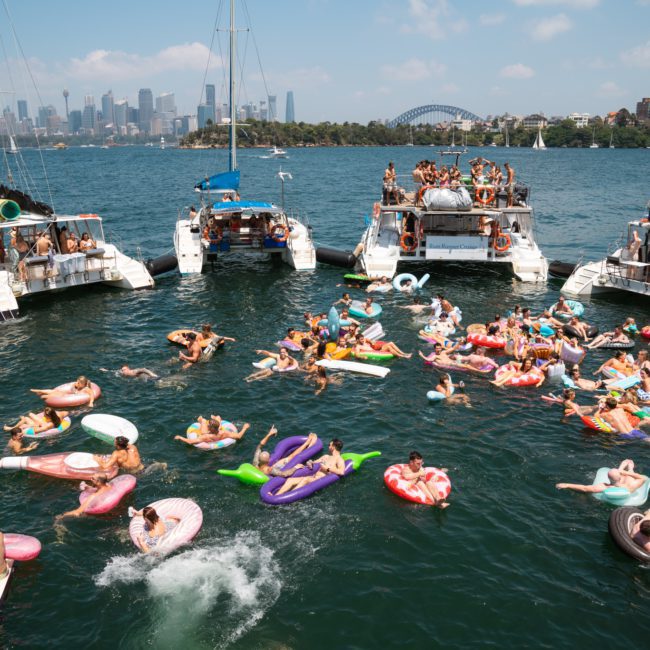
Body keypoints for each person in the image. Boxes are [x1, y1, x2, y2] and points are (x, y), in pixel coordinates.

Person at [275, 438, 346, 495]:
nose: (328, 447)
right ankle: (276, 496)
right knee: (290, 480)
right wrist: (310, 462)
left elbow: (341, 472)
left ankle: (288, 496)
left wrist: (327, 469)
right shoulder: (326, 457)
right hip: (313, 477)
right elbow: (313, 462)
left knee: (305, 479)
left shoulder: (339, 459)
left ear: (333, 447)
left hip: (319, 480)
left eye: (329, 445)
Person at [253, 428, 320, 477]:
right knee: (291, 457)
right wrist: (296, 467)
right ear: (268, 461)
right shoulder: (269, 470)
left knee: (289, 457)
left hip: (267, 469)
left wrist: (269, 434)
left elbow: (259, 447)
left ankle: (307, 443)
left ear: (259, 459)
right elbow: (284, 474)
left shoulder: (255, 464)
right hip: (280, 469)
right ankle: (308, 443)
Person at [556, 459, 647, 494]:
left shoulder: (604, 487)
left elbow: (585, 488)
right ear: (620, 477)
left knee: (623, 475)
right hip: (626, 485)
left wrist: (567, 485)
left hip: (614, 483)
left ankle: (621, 468)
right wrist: (626, 472)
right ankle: (629, 468)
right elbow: (642, 478)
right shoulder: (631, 485)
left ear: (608, 478)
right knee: (630, 476)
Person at [174, 415, 249, 445]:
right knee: (218, 417)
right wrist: (245, 428)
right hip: (218, 435)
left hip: (208, 436)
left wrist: (180, 437)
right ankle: (216, 418)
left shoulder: (205, 436)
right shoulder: (224, 433)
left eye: (208, 425)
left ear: (209, 428)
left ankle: (201, 420)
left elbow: (190, 442)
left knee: (203, 421)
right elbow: (239, 436)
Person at [31, 375, 96, 407]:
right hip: (67, 395)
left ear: (83, 384)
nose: (77, 383)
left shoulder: (86, 389)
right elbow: (73, 387)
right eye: (77, 381)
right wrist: (75, 386)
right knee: (54, 391)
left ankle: (44, 395)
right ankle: (40, 391)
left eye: (79, 383)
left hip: (68, 397)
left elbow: (92, 394)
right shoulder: (77, 385)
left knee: (56, 395)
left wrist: (91, 402)